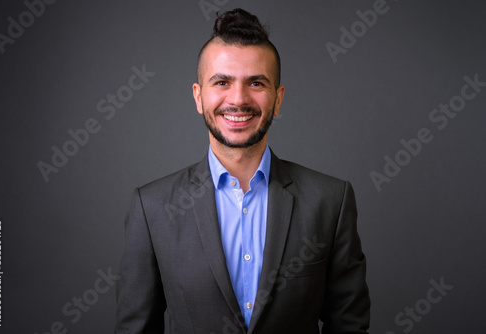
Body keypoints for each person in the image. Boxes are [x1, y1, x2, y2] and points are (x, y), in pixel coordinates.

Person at [115, 8, 370, 334]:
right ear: (198, 96)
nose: (238, 99)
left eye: (256, 83)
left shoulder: (330, 201)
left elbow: (349, 324)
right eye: (221, 81)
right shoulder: (150, 208)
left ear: (277, 99)